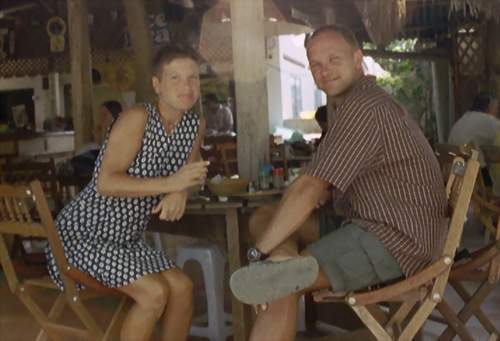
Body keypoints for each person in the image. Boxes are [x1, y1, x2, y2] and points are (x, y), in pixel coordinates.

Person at [229, 25, 447, 341]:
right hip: (372, 223)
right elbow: (321, 181)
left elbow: (309, 188)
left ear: (358, 58)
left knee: (273, 283)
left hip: (394, 240)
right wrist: (276, 252)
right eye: (316, 64)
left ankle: (279, 270)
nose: (324, 70)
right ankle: (284, 263)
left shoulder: (363, 108)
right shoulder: (360, 102)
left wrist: (258, 255)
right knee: (265, 217)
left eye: (334, 59)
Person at [45, 44, 209, 341]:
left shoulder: (194, 126)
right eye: (175, 78)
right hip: (80, 237)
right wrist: (170, 185)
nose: (187, 86)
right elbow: (106, 182)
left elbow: (190, 173)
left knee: (183, 287)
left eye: (193, 77)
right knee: (154, 293)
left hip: (125, 242)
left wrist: (180, 192)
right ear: (157, 85)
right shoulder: (137, 118)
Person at [448, 92, 500, 184]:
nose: (496, 112)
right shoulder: (488, 121)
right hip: (473, 177)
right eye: (496, 108)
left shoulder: (463, 119)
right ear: (488, 107)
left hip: (455, 174)